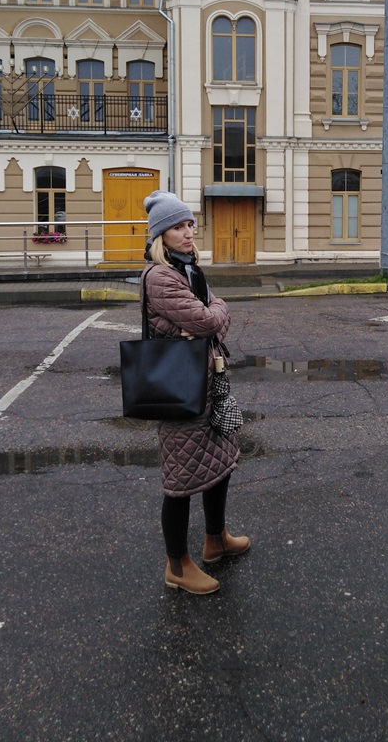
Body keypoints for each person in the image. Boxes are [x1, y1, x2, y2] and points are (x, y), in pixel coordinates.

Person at [142, 190, 250, 595]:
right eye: (177, 227)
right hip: (180, 389)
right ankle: (177, 565)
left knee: (219, 462)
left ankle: (215, 539)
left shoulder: (189, 270)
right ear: (161, 236)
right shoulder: (161, 277)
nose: (188, 232)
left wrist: (209, 320)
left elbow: (211, 319)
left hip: (207, 381)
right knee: (181, 477)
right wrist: (211, 318)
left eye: (189, 224)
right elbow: (208, 318)